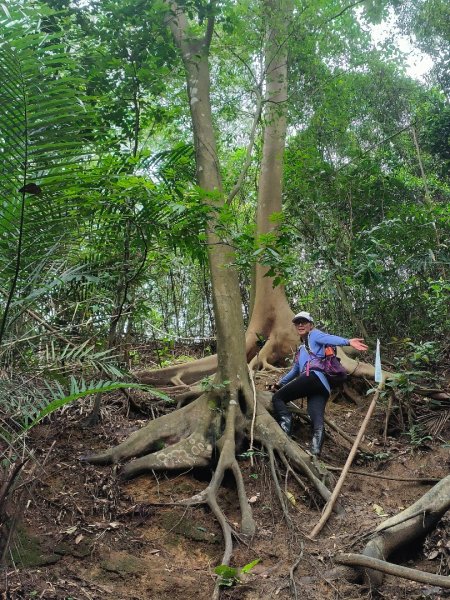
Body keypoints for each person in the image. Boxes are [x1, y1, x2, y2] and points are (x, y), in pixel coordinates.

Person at [272, 311, 368, 455]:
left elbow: (328, 338)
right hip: (322, 387)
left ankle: (284, 430)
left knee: (277, 398)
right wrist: (279, 384)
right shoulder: (301, 349)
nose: (300, 325)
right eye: (297, 323)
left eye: (303, 322)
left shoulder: (314, 335)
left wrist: (348, 342)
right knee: (315, 417)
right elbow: (294, 371)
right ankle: (315, 452)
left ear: (311, 325)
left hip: (312, 378)